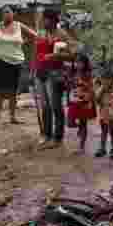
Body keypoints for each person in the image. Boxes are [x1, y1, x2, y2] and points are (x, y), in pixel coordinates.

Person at [22, 9, 75, 149]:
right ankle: (46, 134)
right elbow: (35, 53)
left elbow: (72, 54)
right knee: (44, 106)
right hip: (40, 73)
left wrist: (55, 56)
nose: (42, 21)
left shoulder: (62, 34)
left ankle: (58, 137)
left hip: (54, 73)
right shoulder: (40, 33)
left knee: (55, 106)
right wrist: (32, 71)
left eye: (44, 19)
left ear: (52, 20)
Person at [66, 53, 96, 154]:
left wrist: (84, 84)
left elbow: (91, 88)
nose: (78, 64)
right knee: (70, 122)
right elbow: (69, 85)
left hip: (84, 100)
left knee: (83, 123)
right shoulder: (72, 72)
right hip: (74, 99)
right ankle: (79, 128)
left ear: (85, 63)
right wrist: (68, 81)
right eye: (77, 62)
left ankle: (81, 147)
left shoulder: (87, 74)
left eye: (81, 62)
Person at [94, 71, 113, 158]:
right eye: (104, 79)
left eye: (108, 79)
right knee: (103, 132)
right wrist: (102, 91)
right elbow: (96, 100)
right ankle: (102, 149)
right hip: (103, 115)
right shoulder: (100, 89)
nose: (106, 82)